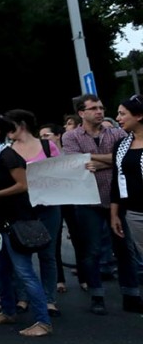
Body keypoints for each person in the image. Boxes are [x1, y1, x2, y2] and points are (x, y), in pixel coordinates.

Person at [61, 94, 143, 315]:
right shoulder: (71, 136)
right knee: (92, 251)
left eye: (101, 107)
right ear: (81, 113)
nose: (100, 111)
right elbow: (76, 162)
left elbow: (123, 157)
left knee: (125, 248)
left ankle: (131, 293)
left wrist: (97, 160)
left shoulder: (117, 132)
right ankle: (97, 294)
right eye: (94, 108)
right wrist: (112, 160)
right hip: (88, 200)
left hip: (117, 199)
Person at [0, 114, 53, 337]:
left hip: (16, 221)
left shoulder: (8, 156)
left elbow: (23, 185)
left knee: (24, 272)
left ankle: (43, 321)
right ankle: (8, 311)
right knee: (0, 270)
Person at [5, 109, 62, 316]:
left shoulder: (48, 146)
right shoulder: (8, 150)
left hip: (48, 207)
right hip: (20, 209)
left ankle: (49, 299)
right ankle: (23, 297)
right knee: (21, 253)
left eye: (8, 125)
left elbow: (61, 173)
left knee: (48, 254)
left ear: (21, 124)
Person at [111, 95, 143, 261]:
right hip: (135, 212)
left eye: (122, 114)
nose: (118, 118)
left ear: (138, 116)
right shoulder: (121, 145)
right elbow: (116, 181)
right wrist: (114, 214)